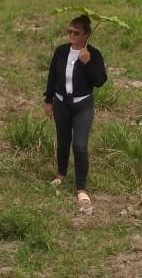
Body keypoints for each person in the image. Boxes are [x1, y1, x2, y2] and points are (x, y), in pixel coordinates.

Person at [44, 14, 107, 209]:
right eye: (69, 31)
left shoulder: (93, 54)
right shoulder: (61, 51)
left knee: (80, 145)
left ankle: (81, 188)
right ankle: (61, 174)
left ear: (86, 34)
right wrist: (48, 100)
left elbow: (100, 80)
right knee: (63, 141)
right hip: (61, 103)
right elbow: (52, 76)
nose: (71, 35)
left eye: (76, 33)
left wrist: (88, 62)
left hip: (82, 105)